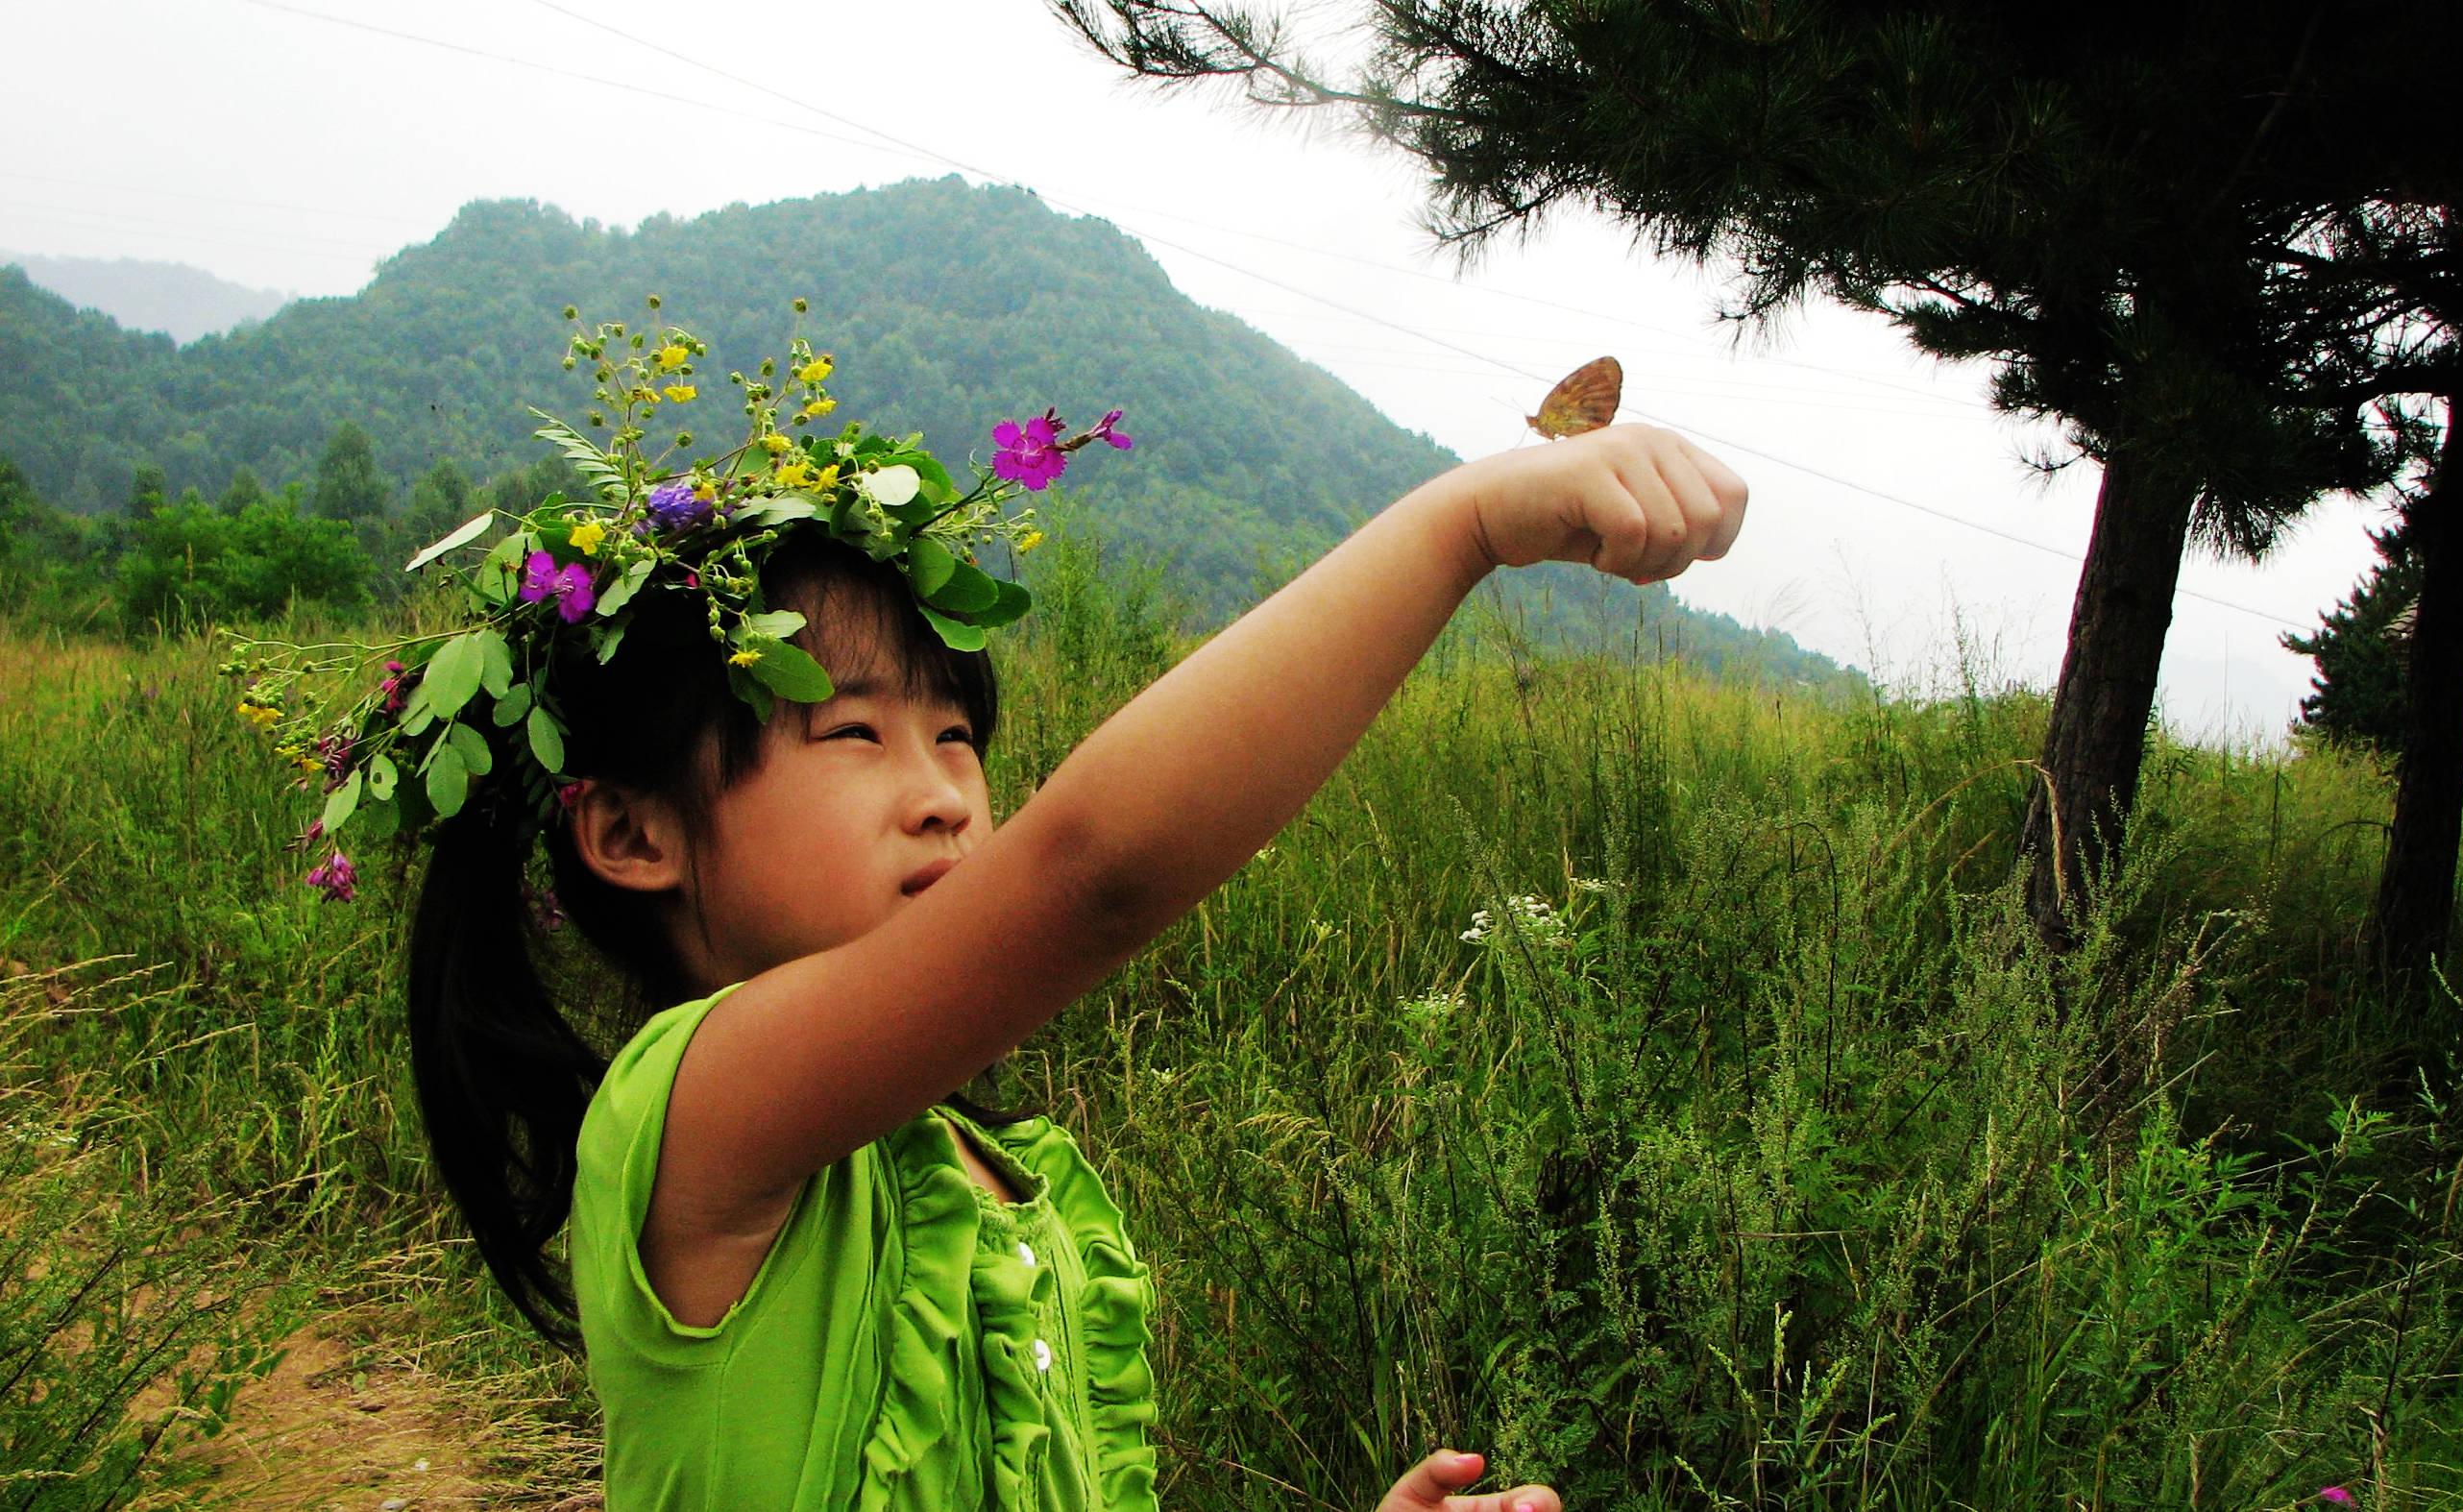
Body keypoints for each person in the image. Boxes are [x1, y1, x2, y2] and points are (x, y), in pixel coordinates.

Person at [315, 320, 1744, 1511]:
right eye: (853, 736)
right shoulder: (694, 1123)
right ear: (632, 834)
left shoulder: (986, 1168)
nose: (945, 794)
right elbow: (1089, 871)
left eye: (957, 737)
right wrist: (1465, 522)